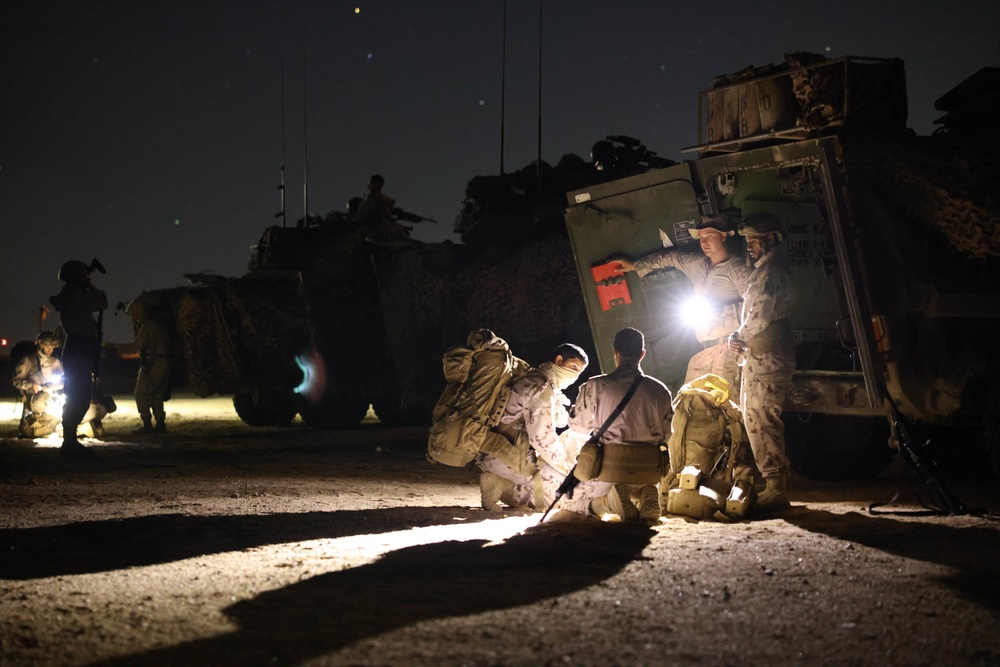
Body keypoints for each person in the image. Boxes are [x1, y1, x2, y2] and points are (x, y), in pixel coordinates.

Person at [615, 216, 751, 388]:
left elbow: (756, 306)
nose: (704, 242)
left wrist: (724, 315)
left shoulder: (737, 269)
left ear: (723, 236)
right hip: (705, 345)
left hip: (729, 346)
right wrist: (635, 265)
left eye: (709, 235)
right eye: (701, 237)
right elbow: (671, 257)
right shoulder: (697, 263)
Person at [556, 327, 673, 522]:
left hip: (610, 470)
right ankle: (644, 493)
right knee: (637, 485)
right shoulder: (660, 390)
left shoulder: (595, 385)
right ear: (642, 354)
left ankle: (609, 503)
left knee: (568, 502)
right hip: (649, 470)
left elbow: (579, 427)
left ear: (615, 352)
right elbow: (667, 434)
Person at [727, 213, 796, 512]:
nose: (749, 246)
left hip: (766, 356)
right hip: (760, 356)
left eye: (753, 240)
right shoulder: (766, 269)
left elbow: (759, 315)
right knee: (757, 417)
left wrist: (739, 336)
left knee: (762, 418)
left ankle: (775, 488)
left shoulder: (771, 272)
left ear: (770, 239)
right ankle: (772, 484)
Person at [478, 343, 589, 511]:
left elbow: (559, 422)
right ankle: (502, 486)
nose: (574, 375)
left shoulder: (538, 378)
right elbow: (542, 440)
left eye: (578, 371)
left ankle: (505, 481)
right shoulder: (540, 385)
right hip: (503, 455)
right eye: (573, 367)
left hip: (499, 449)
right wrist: (568, 469)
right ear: (559, 360)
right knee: (566, 495)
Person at [48, 260, 108, 458]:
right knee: (78, 397)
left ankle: (70, 441)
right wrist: (89, 285)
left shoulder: (71, 294)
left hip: (80, 347)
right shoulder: (74, 295)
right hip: (79, 347)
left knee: (79, 396)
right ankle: (70, 442)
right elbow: (102, 301)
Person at [113, 300, 176, 434]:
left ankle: (147, 424)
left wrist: (114, 346)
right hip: (166, 362)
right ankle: (160, 424)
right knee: (156, 394)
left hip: (155, 363)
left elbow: (135, 347)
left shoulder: (148, 326)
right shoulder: (158, 324)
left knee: (140, 393)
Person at [11, 331, 64, 437]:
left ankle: (51, 425)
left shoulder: (55, 362)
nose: (50, 350)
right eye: (47, 347)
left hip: (53, 399)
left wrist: (53, 387)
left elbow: (63, 380)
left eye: (52, 347)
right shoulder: (28, 361)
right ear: (40, 345)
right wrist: (31, 385)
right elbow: (16, 381)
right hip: (34, 402)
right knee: (29, 431)